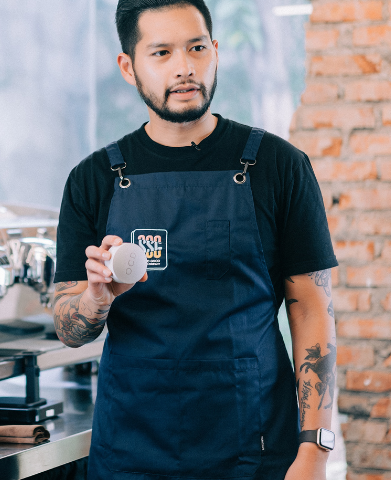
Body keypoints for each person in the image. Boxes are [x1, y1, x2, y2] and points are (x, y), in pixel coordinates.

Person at [52, 1, 338, 479]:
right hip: (131, 451)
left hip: (254, 449)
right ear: (128, 66)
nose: (184, 67)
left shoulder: (280, 166)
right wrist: (96, 298)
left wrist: (315, 451)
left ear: (216, 51)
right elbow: (68, 329)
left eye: (197, 48)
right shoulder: (93, 179)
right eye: (161, 52)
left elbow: (311, 309)